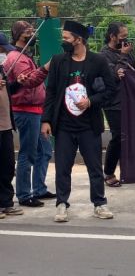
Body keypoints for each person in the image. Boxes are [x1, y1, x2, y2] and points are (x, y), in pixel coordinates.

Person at [41, 20, 117, 223]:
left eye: (66, 38)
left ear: (78, 39)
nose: (63, 41)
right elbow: (51, 92)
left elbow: (110, 90)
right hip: (64, 125)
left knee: (94, 166)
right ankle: (61, 204)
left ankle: (99, 204)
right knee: (62, 167)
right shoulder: (58, 61)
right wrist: (46, 120)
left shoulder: (98, 61)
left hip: (88, 125)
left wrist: (91, 101)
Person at [3, 22, 54, 208]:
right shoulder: (17, 58)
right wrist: (46, 68)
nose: (32, 35)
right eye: (28, 33)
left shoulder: (24, 55)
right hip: (26, 111)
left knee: (45, 151)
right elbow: (30, 81)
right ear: (18, 35)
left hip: (35, 110)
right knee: (28, 153)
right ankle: (24, 194)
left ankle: (38, 188)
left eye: (33, 31)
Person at [99, 22, 135, 188]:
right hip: (112, 100)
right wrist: (122, 55)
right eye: (122, 36)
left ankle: (127, 171)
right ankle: (108, 172)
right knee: (117, 136)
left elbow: (134, 69)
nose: (125, 39)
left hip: (129, 99)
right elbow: (112, 75)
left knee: (129, 136)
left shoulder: (128, 52)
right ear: (112, 36)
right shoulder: (103, 54)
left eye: (126, 36)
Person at [0, 33, 23, 218]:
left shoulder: (1, 69)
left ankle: (6, 202)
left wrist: (17, 84)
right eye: (1, 49)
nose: (4, 53)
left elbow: (7, 90)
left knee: (7, 165)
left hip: (6, 125)